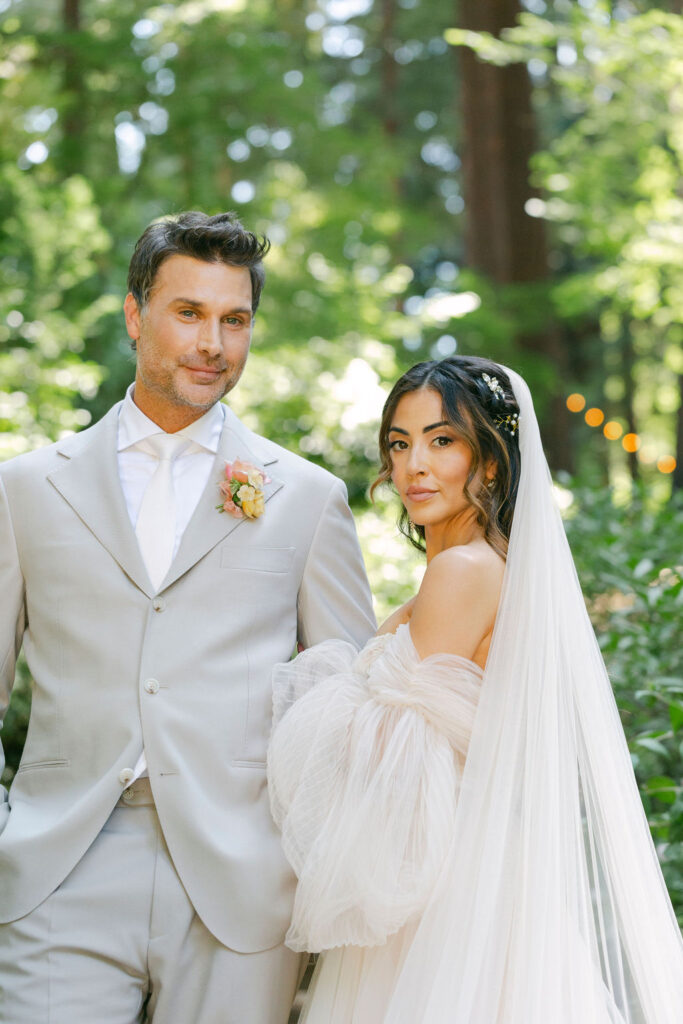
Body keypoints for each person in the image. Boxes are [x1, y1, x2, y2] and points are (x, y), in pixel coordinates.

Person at [0, 211, 376, 1024]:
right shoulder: (26, 488)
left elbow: (348, 705)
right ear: (136, 315)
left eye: (233, 320)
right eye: (188, 313)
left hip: (241, 885)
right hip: (58, 868)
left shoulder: (306, 498)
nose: (213, 343)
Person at [268, 355, 683, 1023]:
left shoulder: (461, 571)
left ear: (490, 462)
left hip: (440, 893)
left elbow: (387, 750)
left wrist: (314, 696)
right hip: (477, 875)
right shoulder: (496, 566)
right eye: (398, 444)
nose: (412, 466)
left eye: (442, 441)